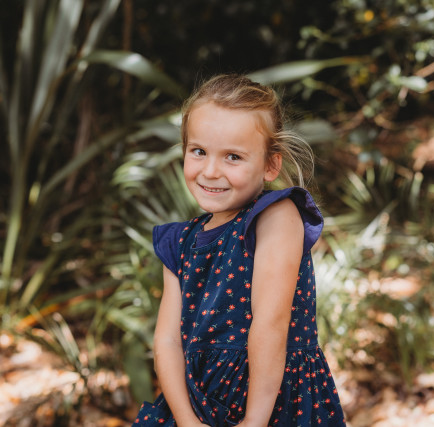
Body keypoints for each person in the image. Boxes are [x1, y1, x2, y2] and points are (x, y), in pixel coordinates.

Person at [133, 74, 346, 426]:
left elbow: (271, 324)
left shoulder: (275, 216)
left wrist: (254, 422)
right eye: (199, 151)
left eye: (233, 156)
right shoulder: (179, 242)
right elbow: (168, 341)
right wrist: (186, 420)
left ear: (270, 165)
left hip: (275, 405)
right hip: (197, 402)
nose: (210, 171)